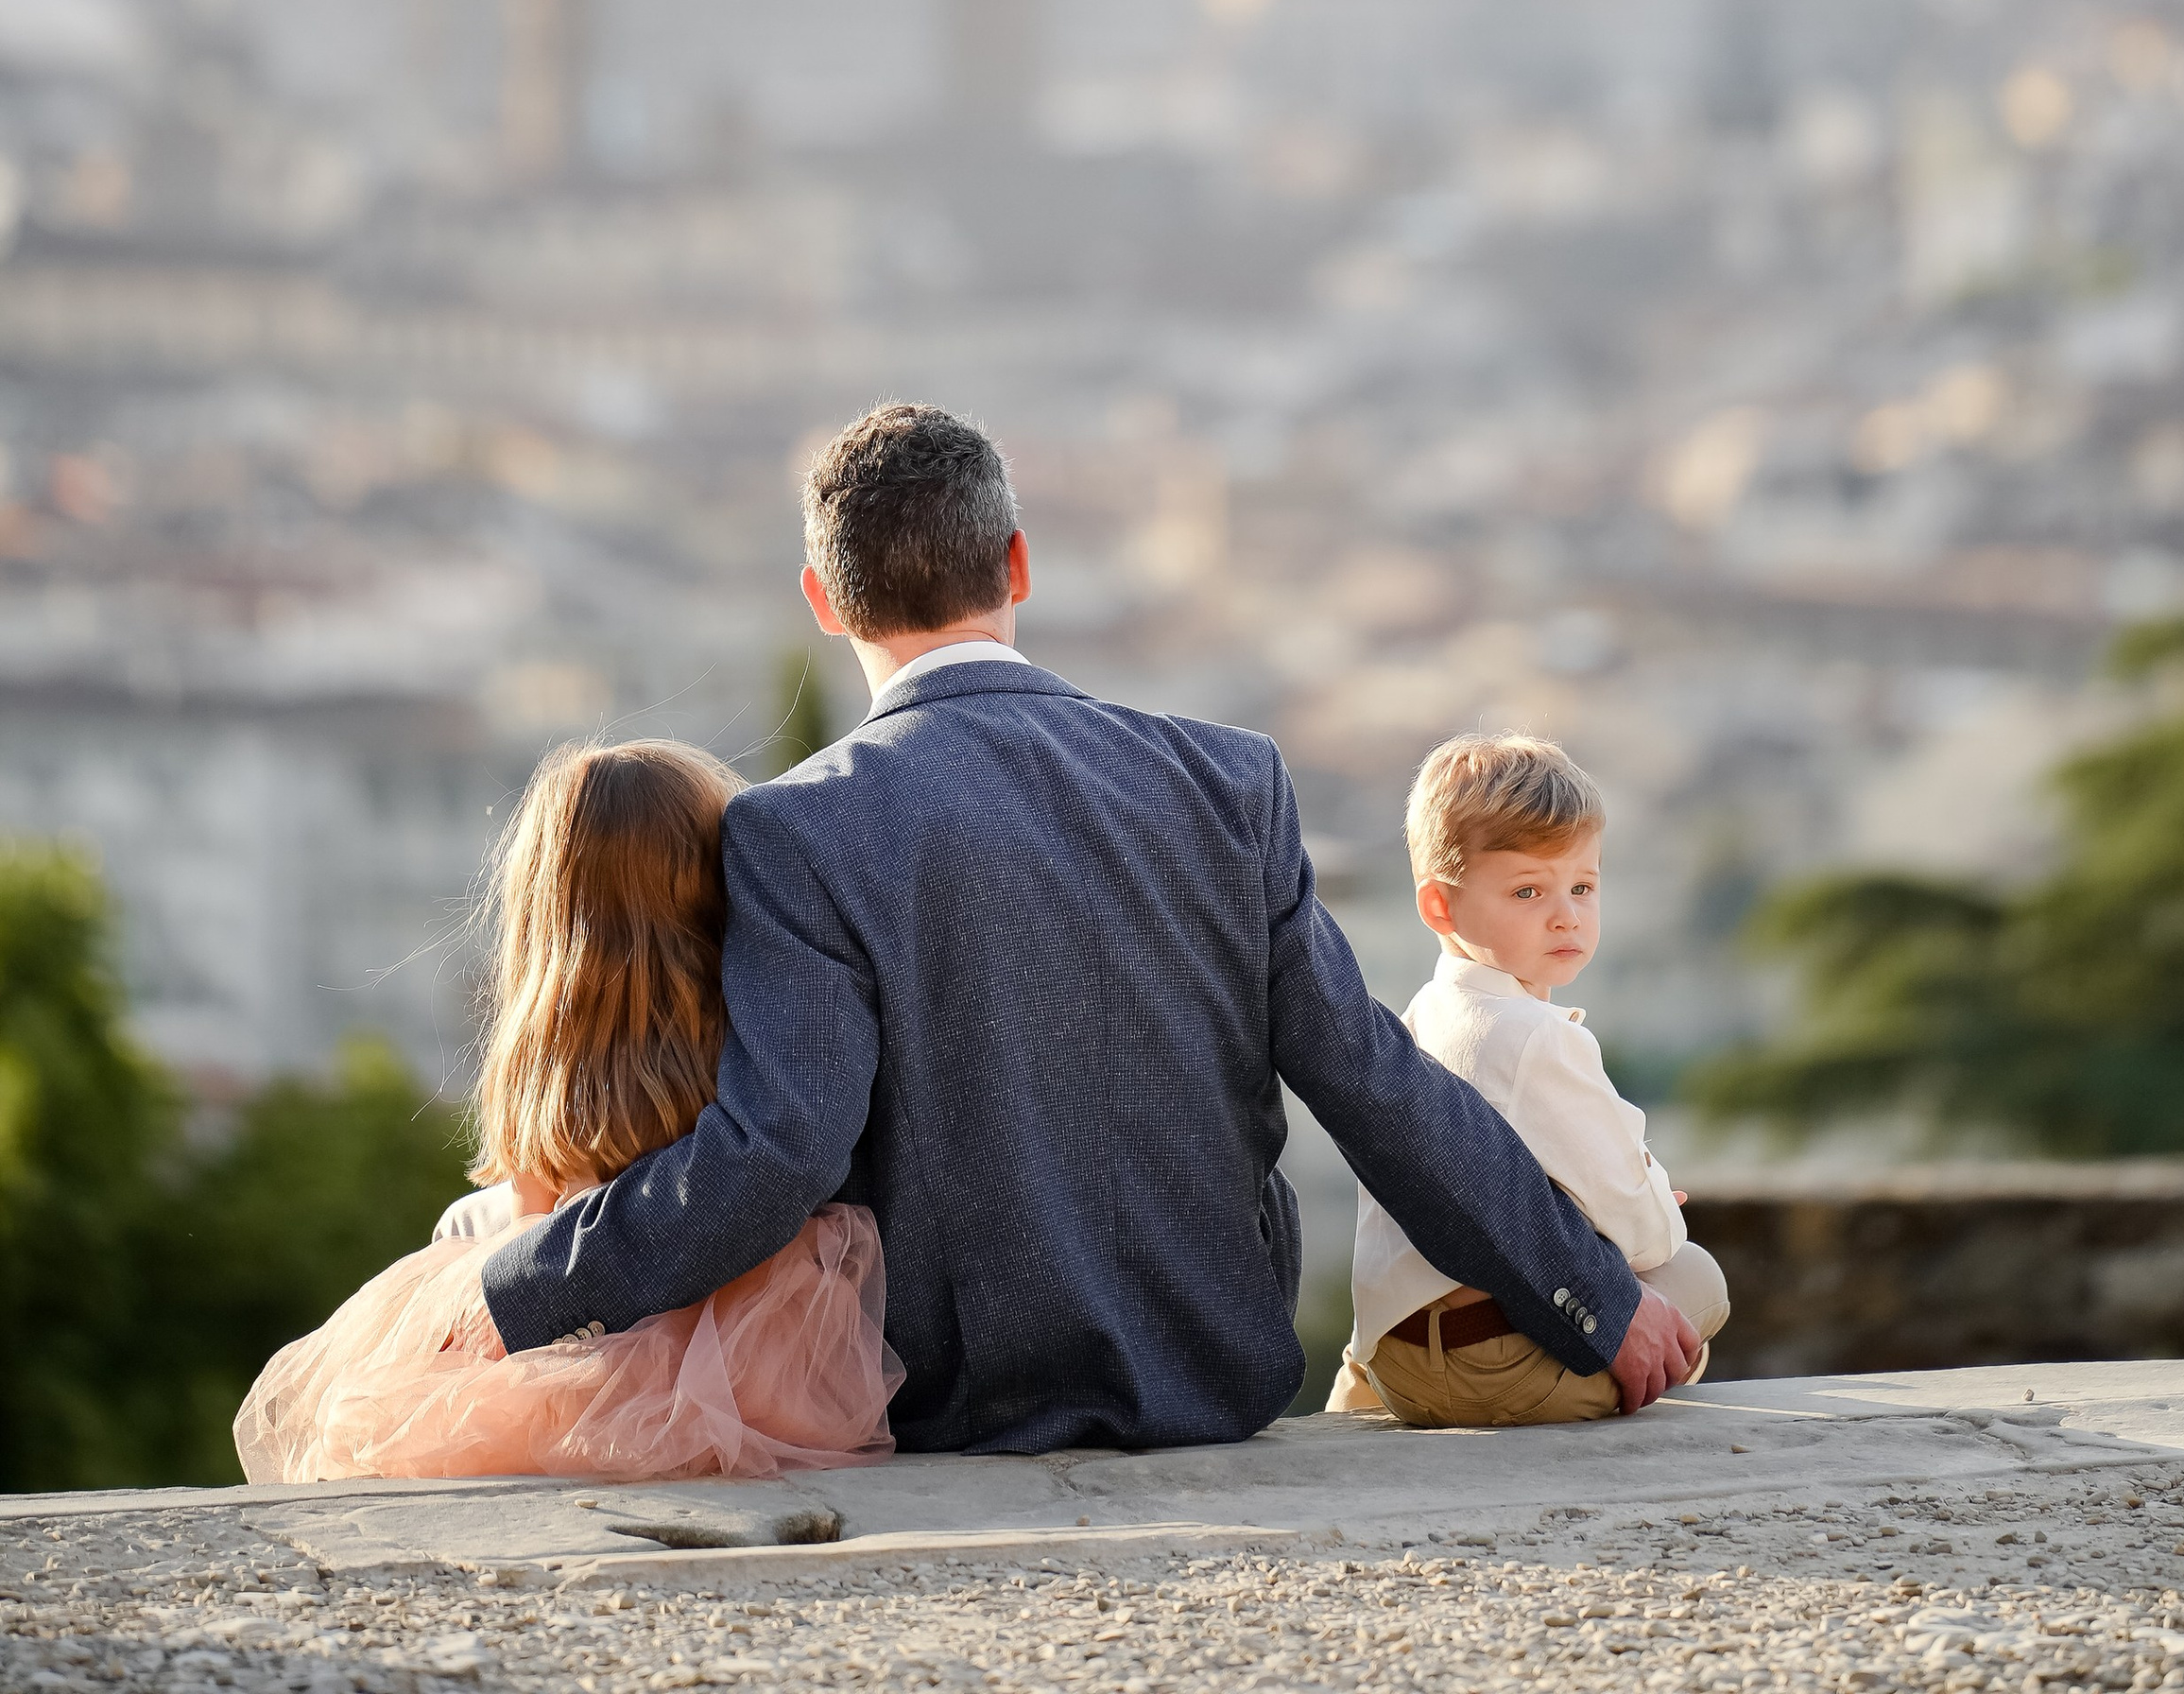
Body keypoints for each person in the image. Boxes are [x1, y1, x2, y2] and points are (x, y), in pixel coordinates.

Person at [479, 405, 1705, 1452]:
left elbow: (774, 1157)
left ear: (821, 600)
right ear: (1016, 564)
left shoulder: (800, 831)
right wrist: (1590, 1294)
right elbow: (1374, 1079)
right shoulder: (1231, 781)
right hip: (1224, 1372)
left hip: (952, 1400)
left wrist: (528, 1289)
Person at [234, 739, 899, 1482]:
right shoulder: (757, 1039)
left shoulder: (549, 1061)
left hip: (586, 1370)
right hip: (765, 1360)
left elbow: (531, 1216)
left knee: (460, 1241)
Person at [1330, 731, 1728, 1427]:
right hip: (1493, 1378)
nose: (1565, 914)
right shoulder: (1535, 1036)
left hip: (1399, 1370)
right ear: (1439, 909)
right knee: (1697, 1274)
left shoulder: (1417, 1023)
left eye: (1582, 886)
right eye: (1527, 890)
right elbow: (1646, 1240)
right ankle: (1636, 1383)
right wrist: (1656, 1200)